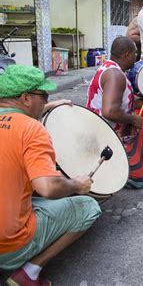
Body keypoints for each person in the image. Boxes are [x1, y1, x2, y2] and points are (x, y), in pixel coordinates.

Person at [0, 65, 101, 285]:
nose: (46, 100)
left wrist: (53, 106)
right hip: (9, 246)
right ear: (26, 98)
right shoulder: (31, 129)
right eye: (44, 96)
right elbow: (48, 187)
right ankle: (29, 273)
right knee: (88, 207)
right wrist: (76, 184)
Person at [87, 37, 143, 190]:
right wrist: (134, 120)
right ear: (127, 54)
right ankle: (112, 165)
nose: (136, 57)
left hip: (127, 124)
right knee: (138, 181)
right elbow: (109, 111)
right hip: (113, 131)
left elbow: (126, 98)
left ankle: (134, 149)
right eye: (135, 53)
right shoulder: (115, 75)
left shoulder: (114, 69)